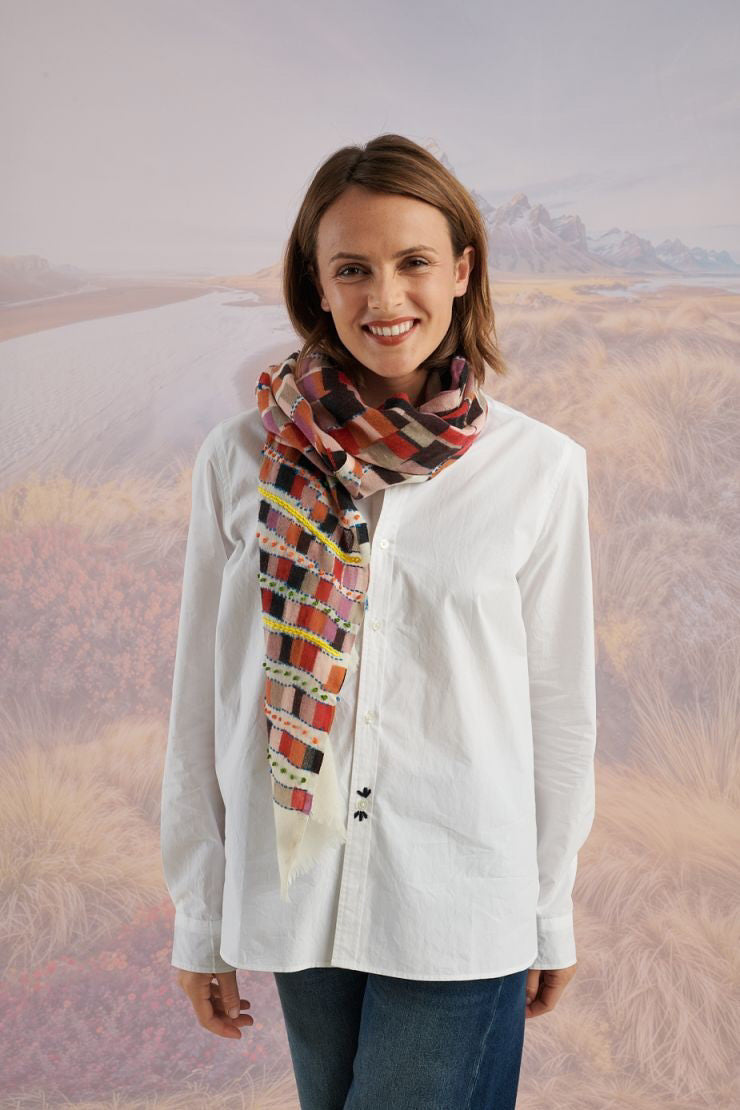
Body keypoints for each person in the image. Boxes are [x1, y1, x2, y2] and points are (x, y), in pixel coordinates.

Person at [160, 133, 597, 1109]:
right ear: (316, 284)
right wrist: (199, 918)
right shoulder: (241, 459)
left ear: (461, 271)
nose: (383, 297)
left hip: (457, 894)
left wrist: (546, 910)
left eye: (411, 263)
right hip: (297, 892)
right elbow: (206, 695)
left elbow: (556, 708)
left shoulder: (537, 467)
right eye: (351, 268)